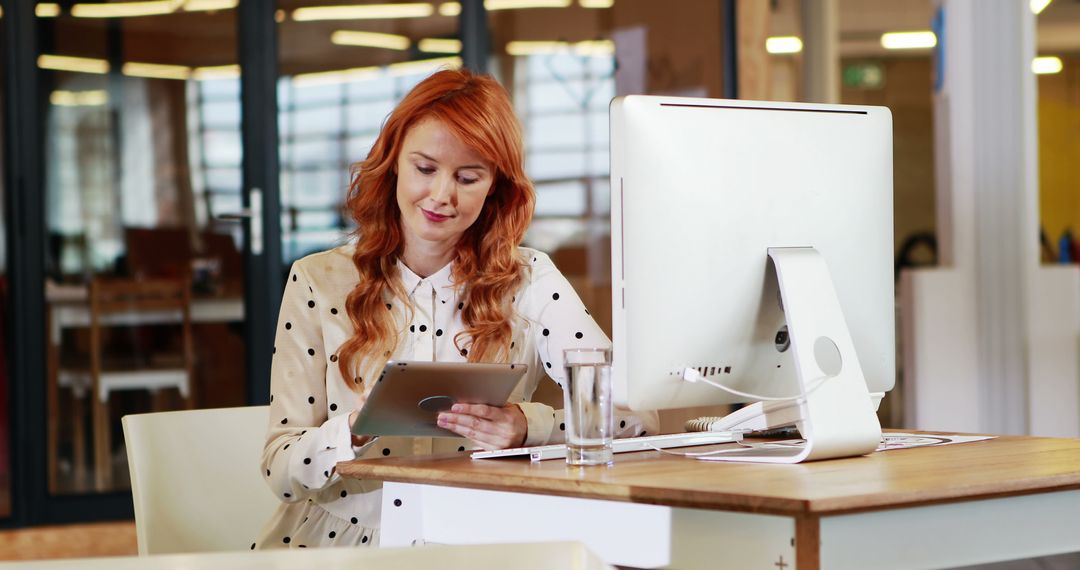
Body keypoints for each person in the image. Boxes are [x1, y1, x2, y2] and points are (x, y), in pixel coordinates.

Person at [254, 68, 658, 550]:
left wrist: (529, 425)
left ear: (495, 188)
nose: (442, 196)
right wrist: (352, 434)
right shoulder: (318, 280)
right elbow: (280, 468)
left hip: (480, 541)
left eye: (468, 177)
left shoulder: (529, 279)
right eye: (425, 169)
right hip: (343, 545)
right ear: (393, 164)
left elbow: (637, 417)